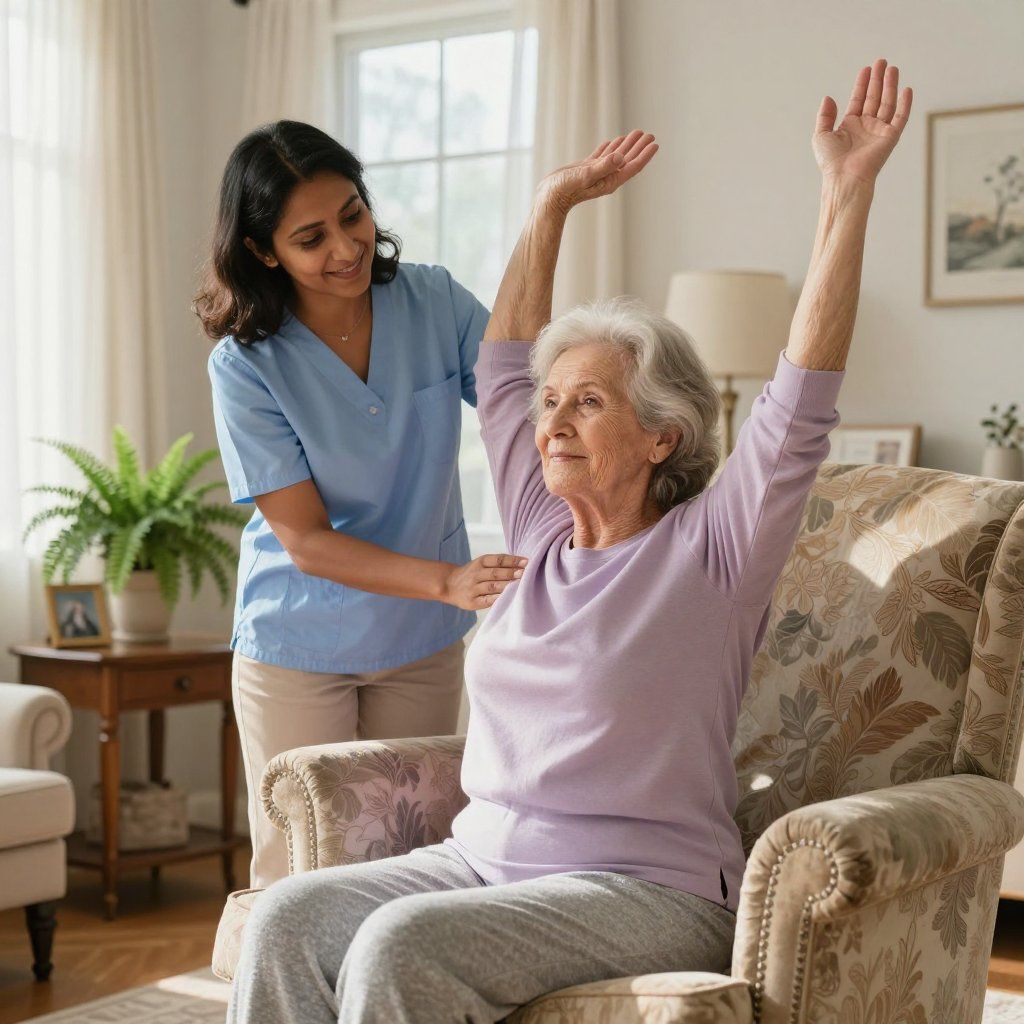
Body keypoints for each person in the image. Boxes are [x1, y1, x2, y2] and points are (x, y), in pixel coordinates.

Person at [228, 59, 912, 1024]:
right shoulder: (543, 529)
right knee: (285, 917)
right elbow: (506, 366)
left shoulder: (715, 547)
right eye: (552, 405)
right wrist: (550, 209)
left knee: (397, 943)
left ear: (662, 434)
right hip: (483, 860)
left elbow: (800, 401)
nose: (550, 423)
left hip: (646, 886)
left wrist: (848, 194)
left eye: (587, 403)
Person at [197, 122, 529, 889]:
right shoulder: (246, 365)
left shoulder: (434, 301)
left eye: (353, 215)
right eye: (311, 237)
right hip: (298, 640)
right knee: (300, 867)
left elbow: (520, 399)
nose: (345, 247)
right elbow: (307, 540)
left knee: (414, 860)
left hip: (419, 640)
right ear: (263, 250)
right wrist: (449, 580)